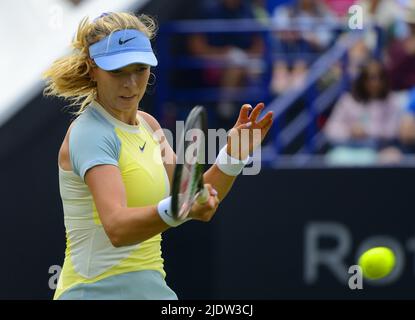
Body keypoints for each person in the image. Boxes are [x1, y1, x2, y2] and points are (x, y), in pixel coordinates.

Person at [42, 12, 273, 300]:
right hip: (93, 294)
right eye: (117, 71)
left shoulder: (149, 125)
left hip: (152, 292)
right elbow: (117, 227)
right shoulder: (90, 133)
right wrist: (179, 208)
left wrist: (233, 156)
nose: (131, 83)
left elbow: (194, 196)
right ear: (93, 69)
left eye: (139, 69)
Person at [324, 60, 405, 162]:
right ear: (363, 80)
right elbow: (331, 128)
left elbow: (392, 131)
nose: (376, 82)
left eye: (380, 77)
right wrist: (350, 131)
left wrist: (367, 131)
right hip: (348, 148)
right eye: (371, 78)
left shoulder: (392, 102)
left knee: (393, 156)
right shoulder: (347, 100)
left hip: (379, 150)